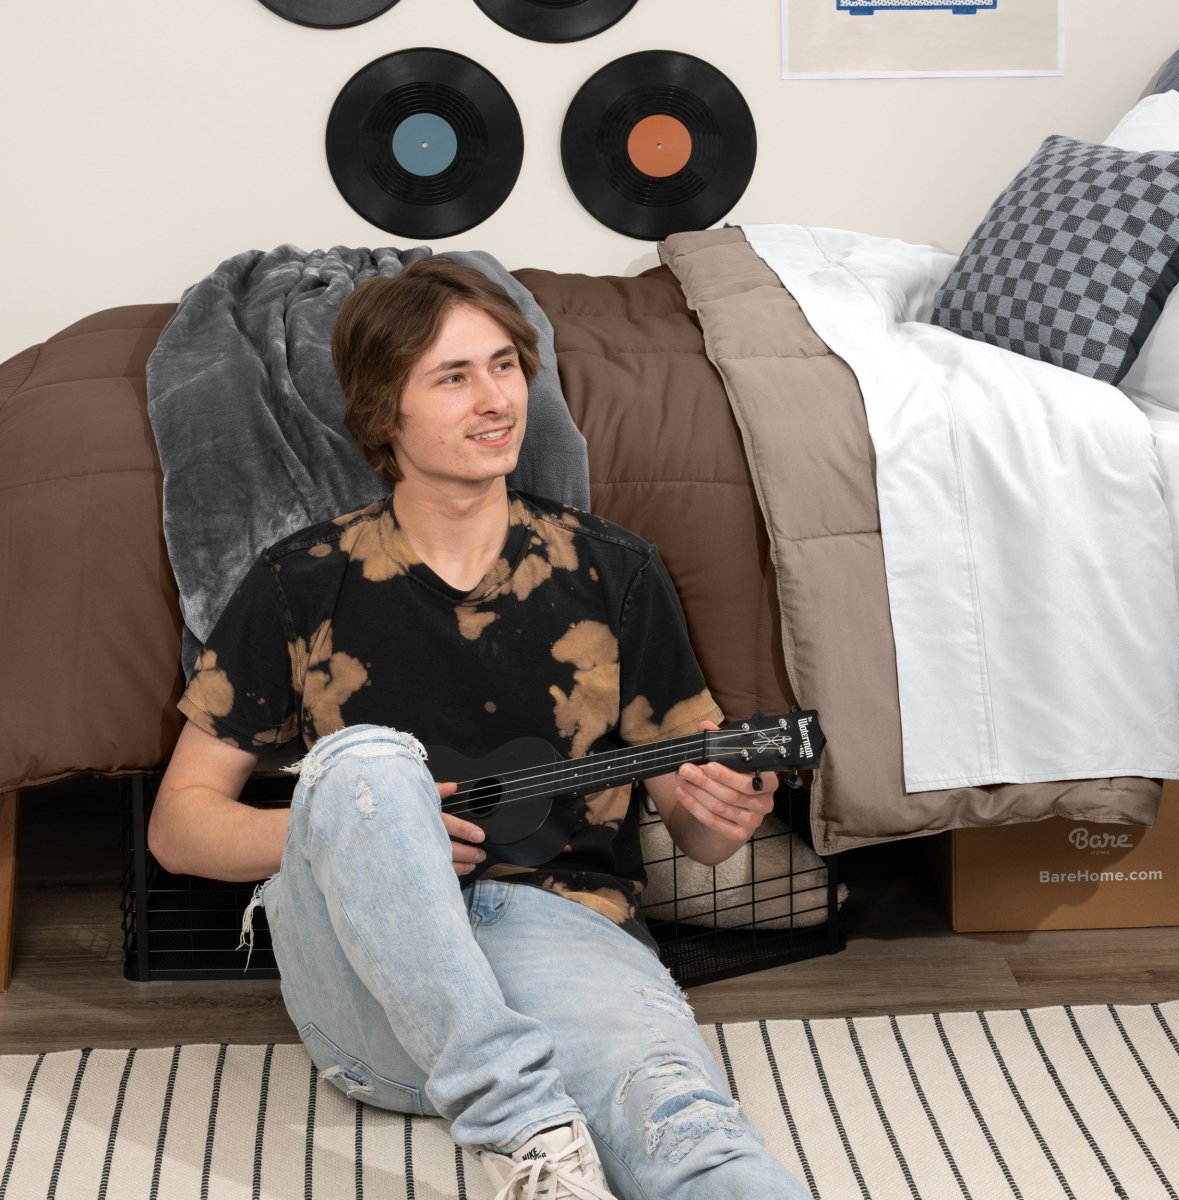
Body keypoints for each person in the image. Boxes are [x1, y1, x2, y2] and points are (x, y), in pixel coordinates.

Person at [148, 256, 812, 1200]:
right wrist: (374, 829)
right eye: (453, 378)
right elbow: (178, 825)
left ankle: (543, 1130)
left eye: (504, 366)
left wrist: (724, 813)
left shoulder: (614, 572)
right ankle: (524, 1122)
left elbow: (699, 834)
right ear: (386, 415)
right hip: (367, 988)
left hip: (564, 940)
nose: (495, 400)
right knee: (369, 762)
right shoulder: (299, 584)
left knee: (688, 1132)